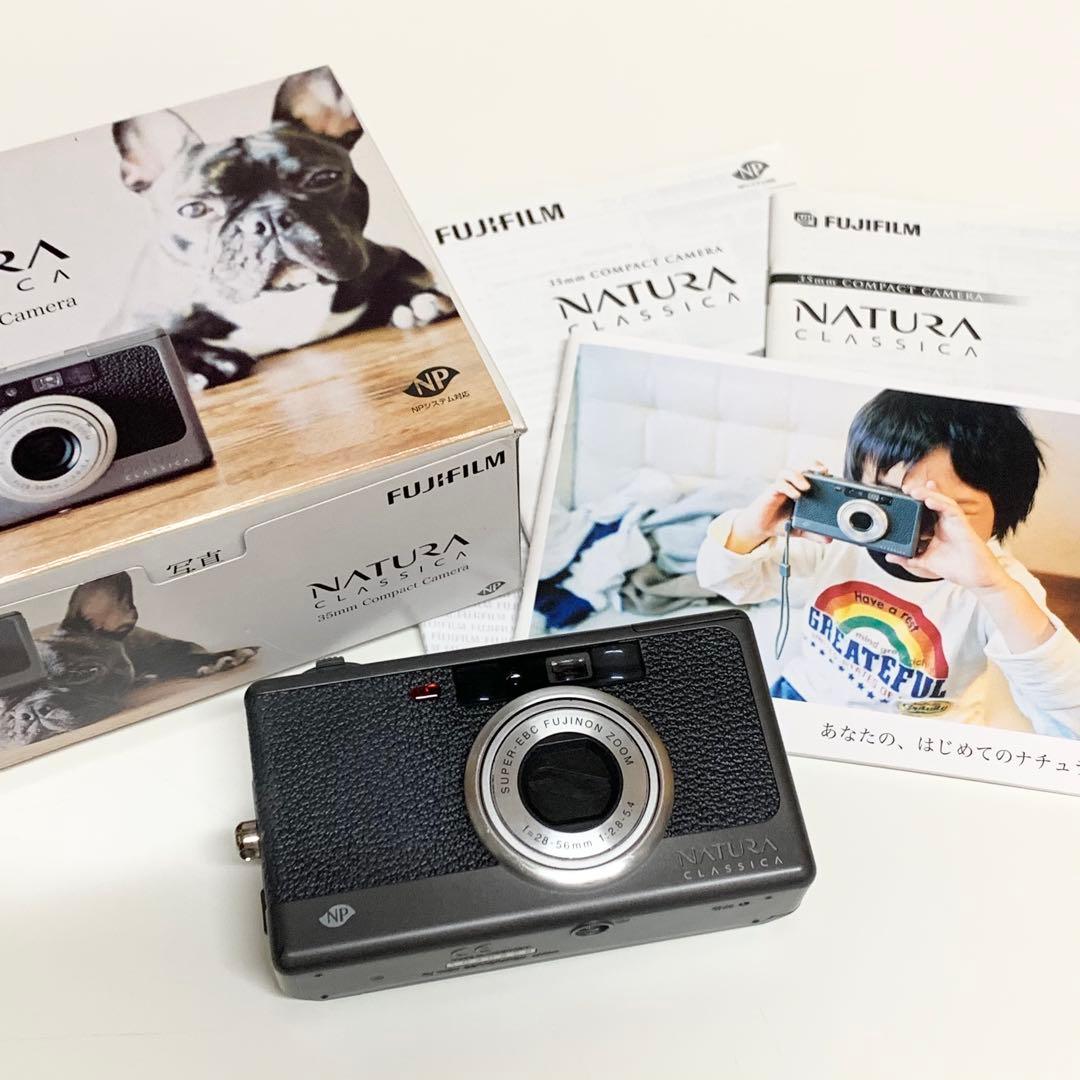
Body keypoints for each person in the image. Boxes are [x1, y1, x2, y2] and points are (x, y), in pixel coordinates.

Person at [696, 390, 1080, 738]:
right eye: (893, 501)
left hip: (922, 733)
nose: (920, 527)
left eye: (950, 511)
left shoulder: (1001, 584)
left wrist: (994, 590)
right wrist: (753, 527)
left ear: (1003, 515)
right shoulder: (837, 540)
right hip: (808, 697)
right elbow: (724, 579)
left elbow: (1068, 713)